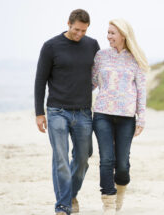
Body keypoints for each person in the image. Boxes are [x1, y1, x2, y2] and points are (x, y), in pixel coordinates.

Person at [34, 9, 100, 215]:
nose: (80, 34)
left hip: (83, 112)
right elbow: (40, 80)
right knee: (60, 159)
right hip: (57, 111)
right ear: (68, 23)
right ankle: (63, 206)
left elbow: (98, 75)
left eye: (84, 30)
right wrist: (39, 113)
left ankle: (71, 194)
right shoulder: (51, 46)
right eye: (76, 29)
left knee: (82, 159)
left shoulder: (92, 45)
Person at [91, 19, 149, 214]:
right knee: (106, 160)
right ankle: (108, 204)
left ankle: (120, 197)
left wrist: (141, 117)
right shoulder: (101, 56)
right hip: (102, 115)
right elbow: (91, 83)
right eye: (107, 32)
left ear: (123, 35)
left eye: (112, 33)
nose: (108, 36)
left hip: (126, 117)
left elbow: (141, 90)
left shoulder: (136, 58)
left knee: (122, 164)